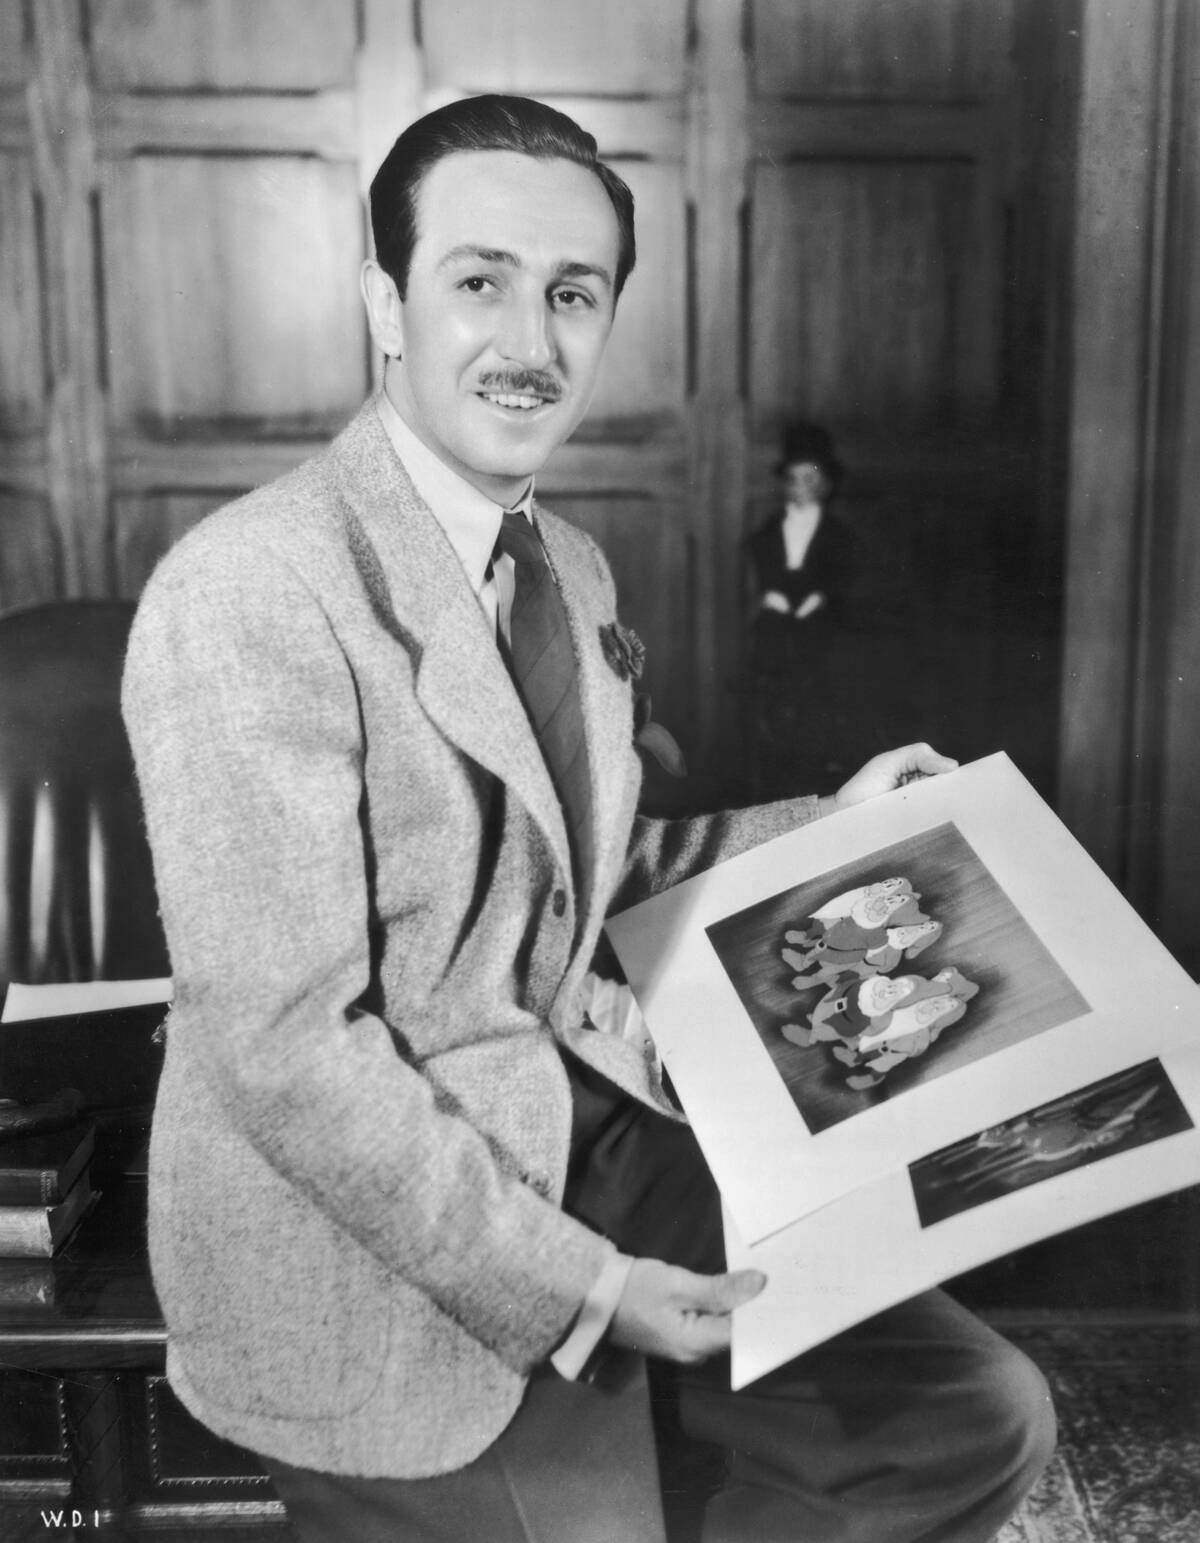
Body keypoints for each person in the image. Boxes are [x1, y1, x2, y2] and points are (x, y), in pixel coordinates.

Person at [121, 95, 1054, 1543]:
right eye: (477, 282)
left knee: (969, 1420)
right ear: (385, 302)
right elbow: (284, 1050)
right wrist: (587, 1289)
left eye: (573, 294)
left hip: (583, 1125)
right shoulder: (251, 589)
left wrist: (832, 824)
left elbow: (582, 873)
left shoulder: (571, 565)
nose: (529, 344)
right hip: (358, 1244)